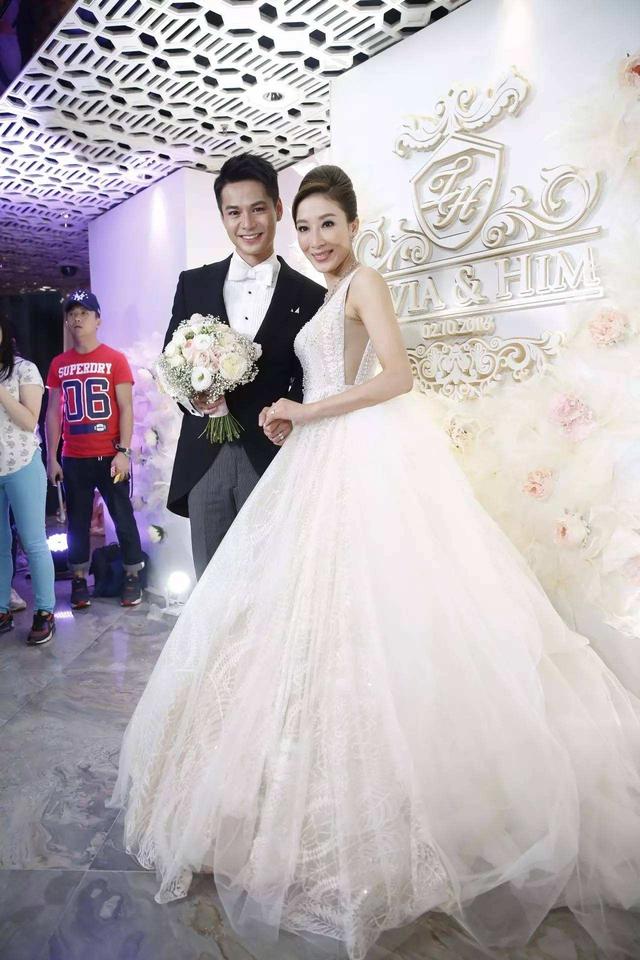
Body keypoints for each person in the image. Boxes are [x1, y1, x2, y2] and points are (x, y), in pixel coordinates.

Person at [112, 167, 640, 960]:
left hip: (356, 454)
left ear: (353, 224)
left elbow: (397, 376)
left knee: (369, 611)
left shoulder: (362, 283)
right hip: (312, 453)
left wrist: (306, 410)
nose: (315, 238)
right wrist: (269, 408)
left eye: (327, 223)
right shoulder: (329, 292)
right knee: (293, 617)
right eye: (307, 227)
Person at [163, 152, 325, 578]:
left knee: (272, 581)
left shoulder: (311, 295)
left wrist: (290, 413)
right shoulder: (192, 283)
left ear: (278, 209)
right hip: (204, 459)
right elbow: (171, 361)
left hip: (272, 457)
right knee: (209, 587)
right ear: (222, 217)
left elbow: (312, 377)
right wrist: (196, 398)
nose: (247, 223)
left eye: (258, 209)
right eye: (234, 212)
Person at [45, 290, 145, 609]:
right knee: (76, 522)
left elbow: (126, 408)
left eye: (84, 313)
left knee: (122, 516)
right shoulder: (59, 364)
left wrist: (124, 451)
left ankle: (132, 575)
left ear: (98, 319)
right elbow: (53, 413)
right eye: (72, 314)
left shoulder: (114, 359)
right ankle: (78, 579)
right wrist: (51, 457)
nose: (77, 319)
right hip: (74, 458)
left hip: (109, 456)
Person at [0, 317, 55, 644]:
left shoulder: (24, 369)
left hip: (22, 463)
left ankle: (45, 611)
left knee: (33, 541)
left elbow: (29, 420)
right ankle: (2, 608)